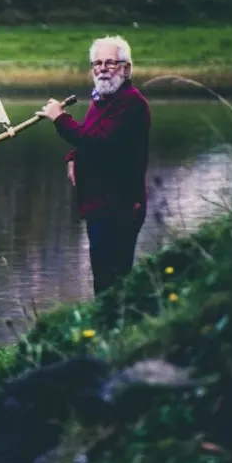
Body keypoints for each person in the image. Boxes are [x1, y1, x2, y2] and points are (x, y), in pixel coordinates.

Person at [36, 35, 151, 298]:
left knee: (114, 281)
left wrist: (60, 118)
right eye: (96, 63)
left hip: (120, 206)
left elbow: (99, 141)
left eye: (110, 63)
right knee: (103, 278)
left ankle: (117, 332)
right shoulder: (104, 100)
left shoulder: (130, 102)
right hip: (99, 206)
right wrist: (73, 157)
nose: (101, 69)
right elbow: (92, 138)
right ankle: (108, 332)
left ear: (126, 68)